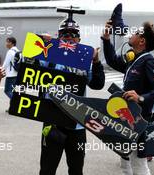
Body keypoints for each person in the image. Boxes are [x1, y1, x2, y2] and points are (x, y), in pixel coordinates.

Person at [39, 9, 105, 175]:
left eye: (73, 35)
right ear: (58, 37)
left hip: (77, 125)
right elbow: (23, 67)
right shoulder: (49, 58)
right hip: (52, 123)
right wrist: (40, 46)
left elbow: (97, 84)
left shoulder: (84, 62)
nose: (69, 37)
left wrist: (96, 62)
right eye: (64, 34)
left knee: (76, 170)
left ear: (79, 39)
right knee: (47, 170)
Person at [102, 21, 154, 175]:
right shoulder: (134, 59)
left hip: (139, 122)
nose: (131, 34)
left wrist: (140, 98)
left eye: (136, 32)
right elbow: (112, 60)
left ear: (142, 41)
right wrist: (106, 38)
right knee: (125, 162)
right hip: (126, 120)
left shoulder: (148, 61)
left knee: (139, 165)